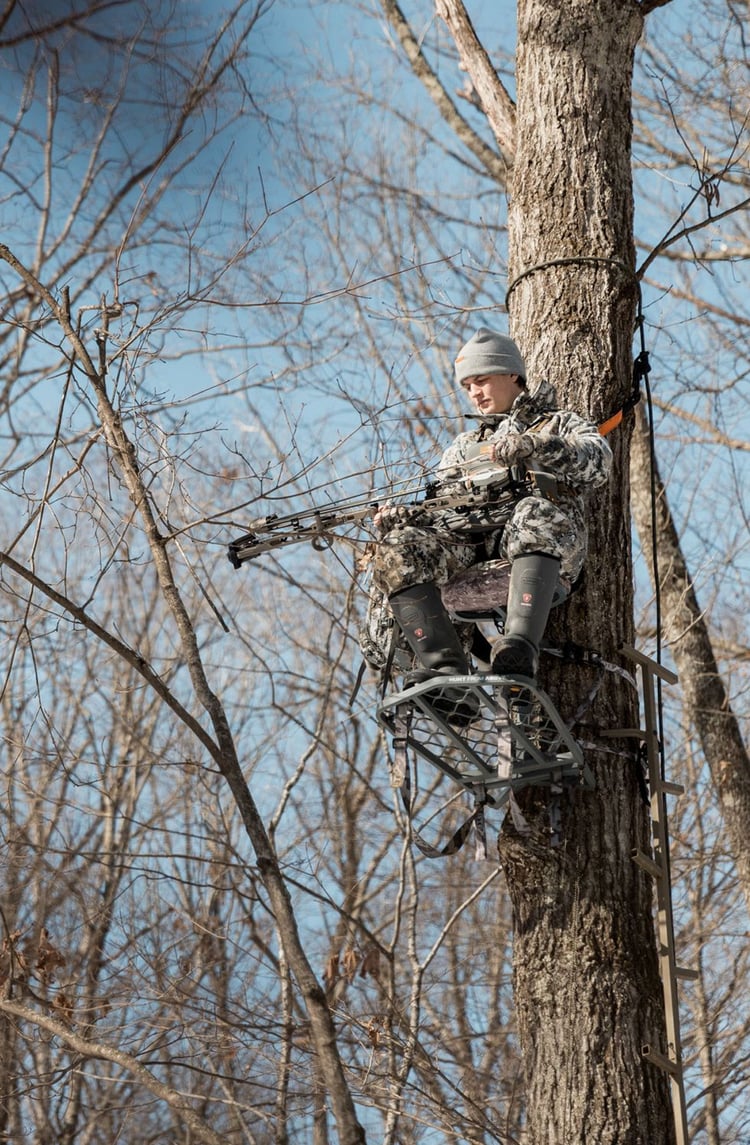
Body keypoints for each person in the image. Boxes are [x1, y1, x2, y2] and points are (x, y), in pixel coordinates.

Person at [369, 327, 612, 715]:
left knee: (532, 511)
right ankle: (445, 675)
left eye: (481, 380)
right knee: (401, 545)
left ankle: (518, 651)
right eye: (467, 386)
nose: (474, 393)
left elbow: (598, 462)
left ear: (512, 374)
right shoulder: (464, 448)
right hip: (471, 548)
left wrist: (535, 445)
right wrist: (409, 518)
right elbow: (443, 509)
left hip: (543, 543)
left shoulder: (557, 423)